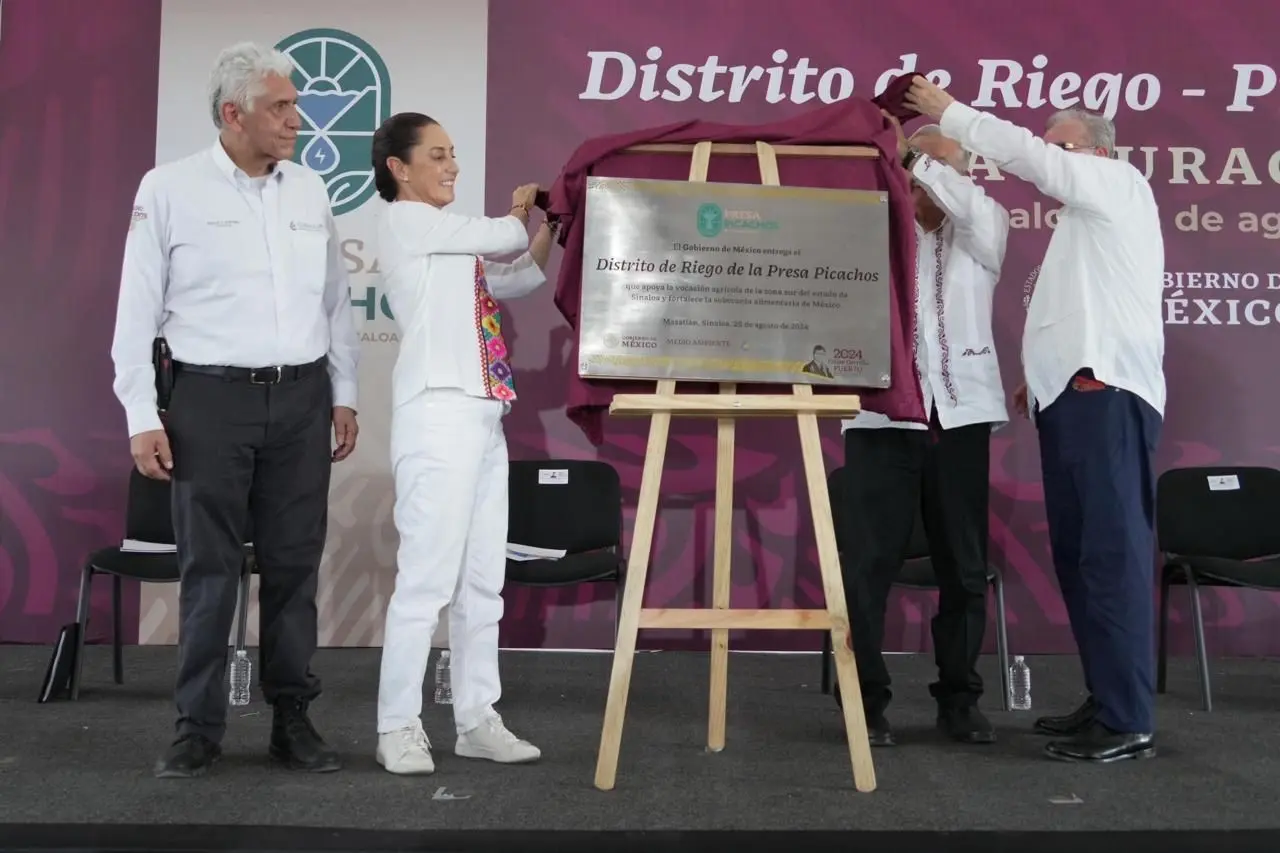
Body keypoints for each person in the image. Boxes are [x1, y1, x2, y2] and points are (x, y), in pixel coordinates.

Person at [110, 42, 361, 779]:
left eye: (294, 104)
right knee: (209, 571)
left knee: (293, 568)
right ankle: (197, 729)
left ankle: (293, 720)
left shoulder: (310, 189)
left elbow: (336, 303)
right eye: (281, 106)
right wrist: (140, 413)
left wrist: (344, 394)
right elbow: (135, 312)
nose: (297, 118)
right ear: (233, 113)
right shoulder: (168, 188)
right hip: (205, 401)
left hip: (301, 398)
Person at [906, 79, 1164, 763]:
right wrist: (1040, 375)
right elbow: (1083, 305)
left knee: (1111, 557)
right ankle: (1106, 697)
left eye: (1064, 146)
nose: (1051, 156)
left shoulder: (1118, 184)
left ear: (1099, 151)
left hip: (1105, 396)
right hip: (1070, 398)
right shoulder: (1083, 225)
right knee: (1081, 561)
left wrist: (951, 115)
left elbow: (1032, 158)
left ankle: (1129, 716)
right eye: (1052, 146)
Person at [370, 112, 556, 775]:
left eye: (454, 154)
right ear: (399, 167)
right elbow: (502, 232)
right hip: (436, 414)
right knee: (426, 582)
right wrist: (522, 211)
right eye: (438, 155)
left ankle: (477, 718)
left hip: (482, 417)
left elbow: (518, 275)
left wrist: (550, 227)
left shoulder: (451, 249)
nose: (452, 165)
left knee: (483, 584)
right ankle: (397, 725)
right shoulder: (404, 219)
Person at [838, 112, 1010, 747]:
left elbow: (966, 205)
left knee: (963, 567)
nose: (928, 183)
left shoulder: (986, 224)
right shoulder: (870, 227)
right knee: (868, 565)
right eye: (913, 168)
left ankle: (960, 699)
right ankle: (867, 702)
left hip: (959, 415)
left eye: (942, 168)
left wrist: (919, 156)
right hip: (880, 414)